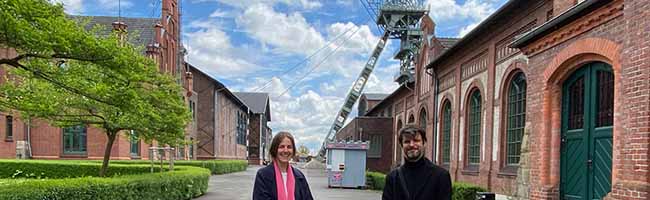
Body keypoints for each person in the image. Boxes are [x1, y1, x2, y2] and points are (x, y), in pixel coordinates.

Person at [382, 124, 452, 200]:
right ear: (401, 145)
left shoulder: (441, 176)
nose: (412, 145)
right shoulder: (392, 178)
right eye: (407, 141)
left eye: (416, 140)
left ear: (424, 143)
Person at [253, 131, 313, 200]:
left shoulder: (299, 176)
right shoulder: (263, 175)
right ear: (274, 149)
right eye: (281, 147)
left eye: (289, 147)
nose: (285, 150)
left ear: (293, 151)